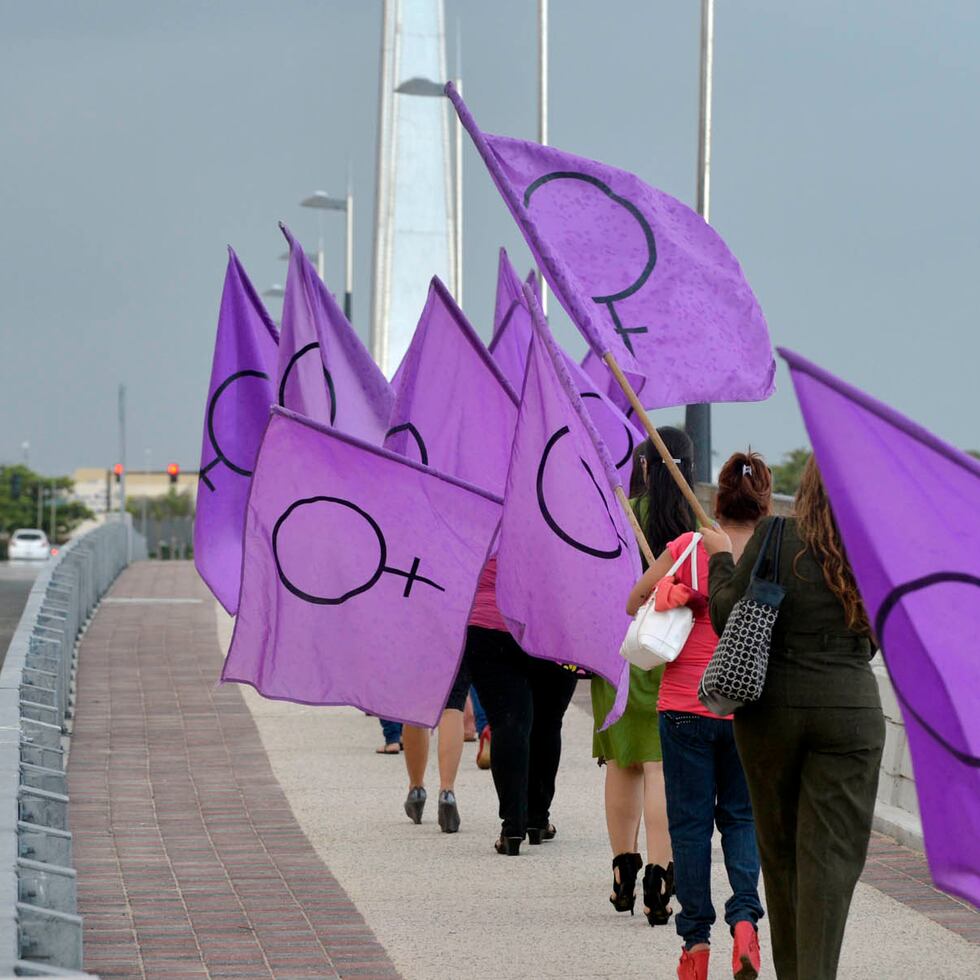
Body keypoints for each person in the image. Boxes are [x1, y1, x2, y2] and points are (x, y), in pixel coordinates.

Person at [702, 456, 885, 980]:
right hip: (850, 711)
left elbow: (724, 616)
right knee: (830, 862)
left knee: (780, 858)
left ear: (803, 490)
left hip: (771, 715)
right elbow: (880, 636)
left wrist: (720, 559)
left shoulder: (776, 536)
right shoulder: (873, 549)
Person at [626, 451, 769, 980]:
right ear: (762, 501)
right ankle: (746, 923)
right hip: (744, 713)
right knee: (741, 819)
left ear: (716, 499)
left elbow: (633, 602)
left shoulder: (689, 547)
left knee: (689, 827)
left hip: (683, 707)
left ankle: (695, 946)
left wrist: (675, 593)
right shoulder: (768, 552)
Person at [592, 428, 693, 922]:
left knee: (621, 763)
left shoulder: (622, 515)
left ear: (646, 468)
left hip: (622, 650)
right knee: (660, 768)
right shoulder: (699, 528)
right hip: (674, 653)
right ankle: (660, 878)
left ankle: (621, 875)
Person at [467, 556, 578, 855]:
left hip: (489, 622)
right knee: (548, 722)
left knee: (508, 723)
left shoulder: (484, 508)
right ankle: (538, 819)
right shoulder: (564, 512)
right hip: (556, 622)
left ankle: (512, 828)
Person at [401, 658, 472, 834]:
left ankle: (416, 789)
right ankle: (447, 792)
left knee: (415, 708)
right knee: (453, 707)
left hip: (419, 639)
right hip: (458, 636)